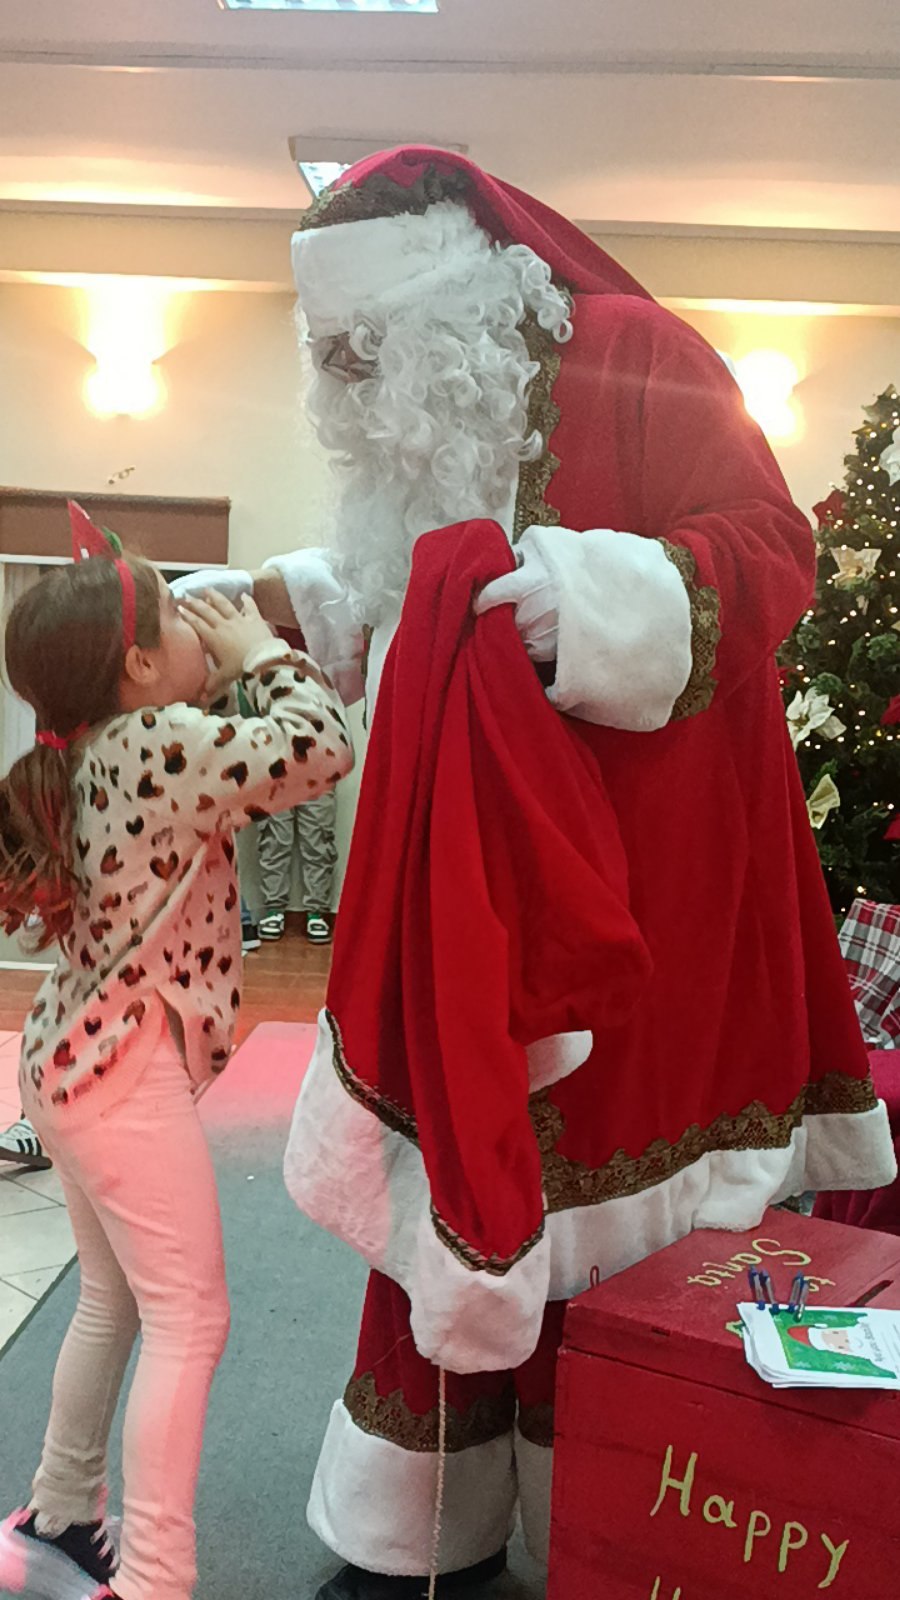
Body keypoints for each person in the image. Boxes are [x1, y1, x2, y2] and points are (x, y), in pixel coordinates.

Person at [172, 147, 896, 1600]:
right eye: (330, 352)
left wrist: (592, 597)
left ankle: (604, 1520)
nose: (350, 376)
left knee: (603, 1222)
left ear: (460, 293)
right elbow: (410, 578)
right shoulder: (419, 415)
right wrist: (275, 598)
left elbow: (772, 549)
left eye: (370, 343)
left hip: (647, 882)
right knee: (448, 1172)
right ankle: (417, 1533)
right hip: (461, 881)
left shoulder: (637, 354)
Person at [0, 502, 352, 1600]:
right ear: (142, 665)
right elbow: (320, 749)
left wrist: (239, 659)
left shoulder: (101, 745)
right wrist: (264, 654)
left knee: (114, 1302)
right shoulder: (155, 744)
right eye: (179, 616)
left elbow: (244, 756)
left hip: (70, 1062)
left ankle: (60, 1514)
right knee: (190, 1318)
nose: (205, 623)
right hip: (122, 1075)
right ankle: (155, 1578)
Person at [257, 791, 337, 944]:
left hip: (317, 779)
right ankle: (274, 909)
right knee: (273, 844)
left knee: (318, 845)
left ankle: (316, 912)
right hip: (274, 780)